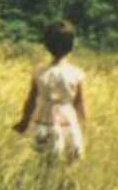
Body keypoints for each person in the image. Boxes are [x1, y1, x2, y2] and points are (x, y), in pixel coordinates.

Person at [14, 19, 87, 161]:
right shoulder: (77, 74)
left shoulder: (40, 72)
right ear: (72, 45)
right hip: (67, 119)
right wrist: (84, 134)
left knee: (42, 160)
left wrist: (24, 120)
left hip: (42, 118)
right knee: (68, 159)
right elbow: (81, 105)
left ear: (46, 45)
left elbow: (31, 100)